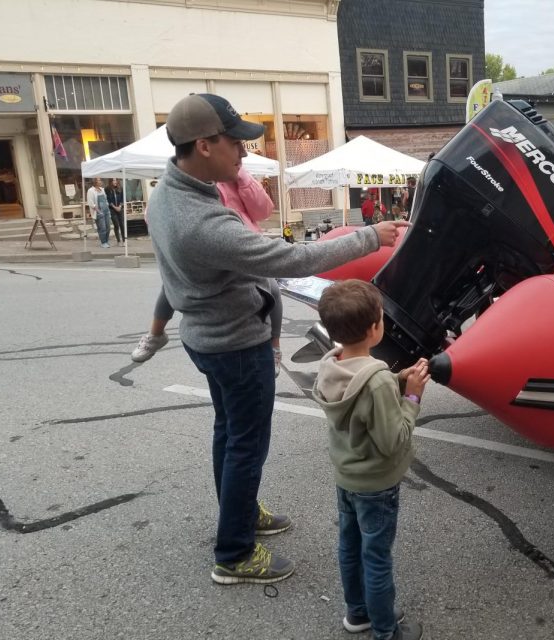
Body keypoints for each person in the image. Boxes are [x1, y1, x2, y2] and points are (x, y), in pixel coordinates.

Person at [145, 92, 402, 585]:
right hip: (235, 345)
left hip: (208, 338)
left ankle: (238, 513)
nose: (243, 155)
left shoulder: (170, 194)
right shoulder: (201, 221)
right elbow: (291, 260)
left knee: (229, 434)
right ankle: (234, 553)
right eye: (235, 145)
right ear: (203, 145)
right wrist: (371, 236)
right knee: (246, 445)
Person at [313, 279, 429, 640]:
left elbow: (362, 397)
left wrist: (397, 379)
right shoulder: (376, 379)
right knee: (376, 556)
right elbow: (394, 439)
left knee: (350, 547)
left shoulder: (332, 364)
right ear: (376, 327)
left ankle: (358, 612)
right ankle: (384, 636)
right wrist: (411, 396)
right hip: (377, 486)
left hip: (346, 479)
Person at [131, 167, 285, 377]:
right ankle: (156, 333)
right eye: (233, 145)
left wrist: (241, 177)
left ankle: (274, 347)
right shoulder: (185, 182)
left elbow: (263, 210)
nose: (240, 153)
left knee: (272, 288)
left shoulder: (236, 176)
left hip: (243, 242)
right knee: (170, 285)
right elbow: (157, 216)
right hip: (206, 246)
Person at [86, 177, 110, 248]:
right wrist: (98, 211)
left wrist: (107, 207)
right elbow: (90, 202)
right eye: (99, 180)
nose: (101, 181)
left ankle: (106, 240)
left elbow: (105, 199)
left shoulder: (102, 189)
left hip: (106, 211)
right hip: (98, 212)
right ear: (95, 182)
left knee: (108, 227)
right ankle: (103, 242)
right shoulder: (91, 190)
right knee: (102, 228)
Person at [105, 178, 125, 244]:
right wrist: (114, 207)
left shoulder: (120, 188)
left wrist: (120, 206)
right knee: (116, 225)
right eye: (113, 180)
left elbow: (123, 198)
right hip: (112, 209)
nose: (115, 181)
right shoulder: (107, 189)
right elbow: (108, 200)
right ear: (110, 181)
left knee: (122, 224)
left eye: (116, 180)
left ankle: (124, 240)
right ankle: (118, 241)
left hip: (120, 208)